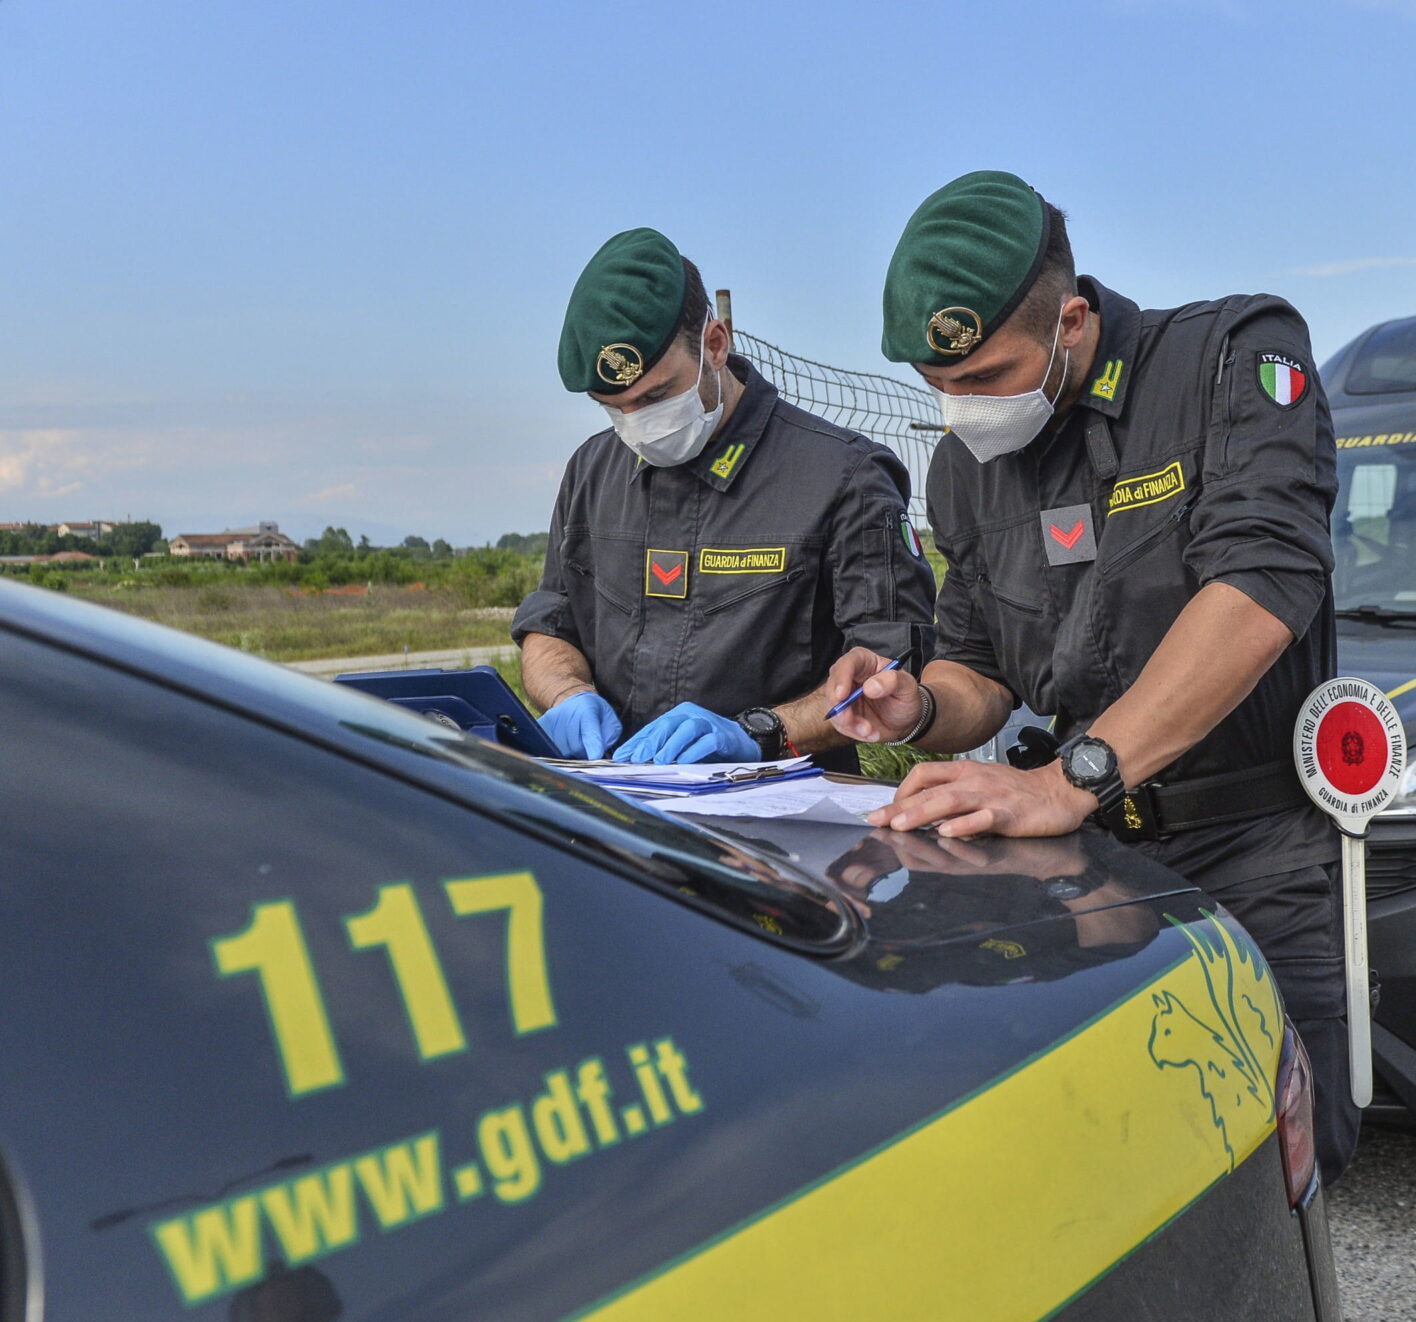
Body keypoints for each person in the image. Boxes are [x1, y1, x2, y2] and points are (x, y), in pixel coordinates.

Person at [826, 172, 1358, 1178]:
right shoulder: (966, 468)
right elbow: (977, 665)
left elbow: (1262, 584)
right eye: (938, 384)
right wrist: (919, 705)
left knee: (1281, 1167)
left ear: (1071, 320)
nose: (960, 409)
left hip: (1249, 856)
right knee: (1116, 1163)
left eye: (986, 375)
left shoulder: (1228, 360)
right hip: (1087, 875)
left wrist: (1064, 780)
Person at [513, 229, 935, 768]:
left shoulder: (843, 476)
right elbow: (550, 627)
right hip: (622, 806)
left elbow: (889, 668)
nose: (639, 424)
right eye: (613, 407)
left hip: (781, 817)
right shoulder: (593, 471)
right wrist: (568, 694)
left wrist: (763, 732)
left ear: (715, 344)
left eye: (657, 396)